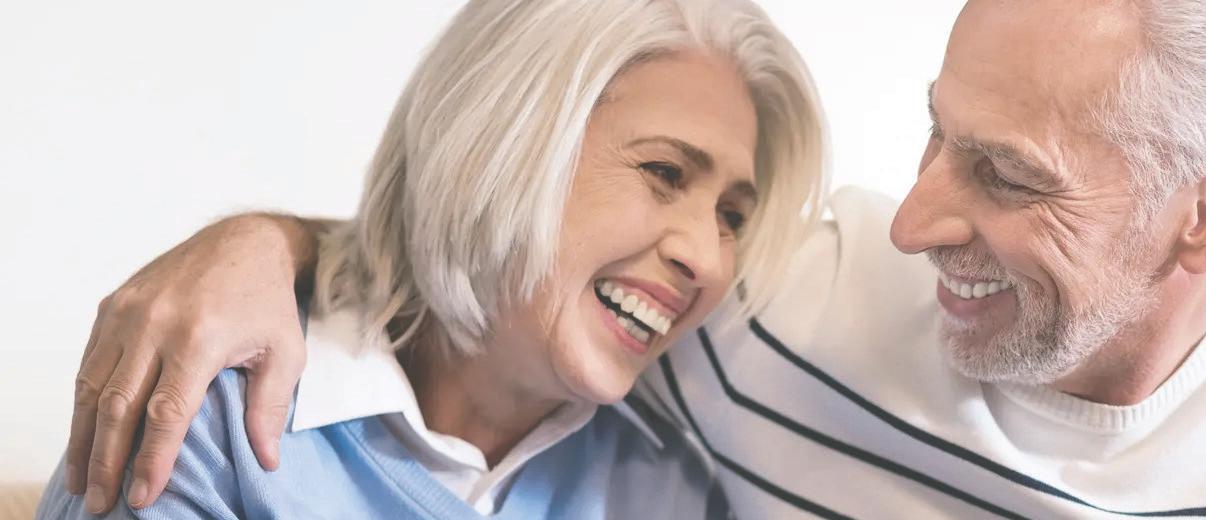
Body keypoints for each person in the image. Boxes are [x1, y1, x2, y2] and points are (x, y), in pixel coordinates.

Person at [61, 0, 1206, 518]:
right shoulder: (765, 331)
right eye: (939, 135)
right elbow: (498, 271)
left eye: (1005, 174)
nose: (912, 221)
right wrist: (262, 246)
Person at [38, 0, 825, 517]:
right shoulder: (206, 407)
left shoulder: (676, 491)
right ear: (501, 144)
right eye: (664, 173)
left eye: (731, 216)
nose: (707, 258)